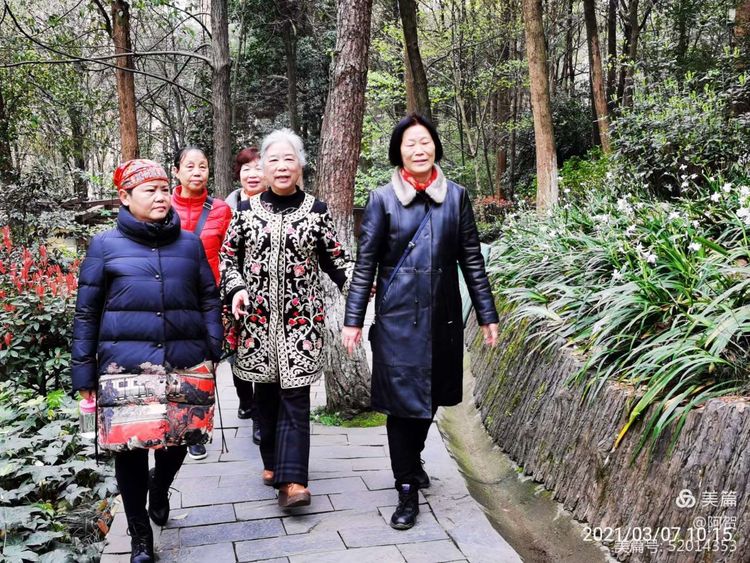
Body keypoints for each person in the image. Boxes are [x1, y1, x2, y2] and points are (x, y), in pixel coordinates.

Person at [342, 114, 499, 530]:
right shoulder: (381, 200)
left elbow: (472, 260)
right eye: (410, 143)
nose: (419, 149)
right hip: (397, 320)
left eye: (425, 141)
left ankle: (412, 460)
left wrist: (487, 313)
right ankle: (406, 486)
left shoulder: (457, 197)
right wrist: (353, 320)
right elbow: (365, 265)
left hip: (442, 318)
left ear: (435, 147)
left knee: (429, 399)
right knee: (401, 405)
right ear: (399, 151)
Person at [72, 159, 223, 562]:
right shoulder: (104, 246)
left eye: (163, 189)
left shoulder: (188, 244)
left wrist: (213, 343)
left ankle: (160, 486)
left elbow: (208, 296)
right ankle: (140, 535)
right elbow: (87, 312)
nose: (160, 197)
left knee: (181, 441)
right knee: (131, 451)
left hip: (184, 360)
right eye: (149, 190)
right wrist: (83, 371)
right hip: (125, 366)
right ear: (124, 197)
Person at [220, 128, 352, 508]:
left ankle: (293, 482)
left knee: (295, 397)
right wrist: (237, 289)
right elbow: (228, 258)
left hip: (301, 324)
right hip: (257, 325)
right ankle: (272, 463)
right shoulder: (246, 211)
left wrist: (362, 290)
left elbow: (337, 261)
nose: (281, 166)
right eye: (273, 160)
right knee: (265, 397)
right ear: (263, 167)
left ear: (300, 166)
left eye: (288, 159)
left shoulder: (317, 211)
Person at [171, 146, 233, 460]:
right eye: (190, 166)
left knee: (205, 365)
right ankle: (175, 426)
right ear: (176, 171)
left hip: (210, 300)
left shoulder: (221, 210)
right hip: (171, 299)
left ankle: (195, 429)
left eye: (203, 166)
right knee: (173, 364)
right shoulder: (163, 206)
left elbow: (231, 255)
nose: (197, 172)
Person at [224, 147, 266, 445]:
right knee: (236, 349)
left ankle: (261, 417)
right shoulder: (226, 208)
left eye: (258, 168)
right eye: (246, 168)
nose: (252, 174)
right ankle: (246, 400)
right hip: (231, 289)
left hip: (265, 292)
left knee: (262, 352)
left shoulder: (278, 206)